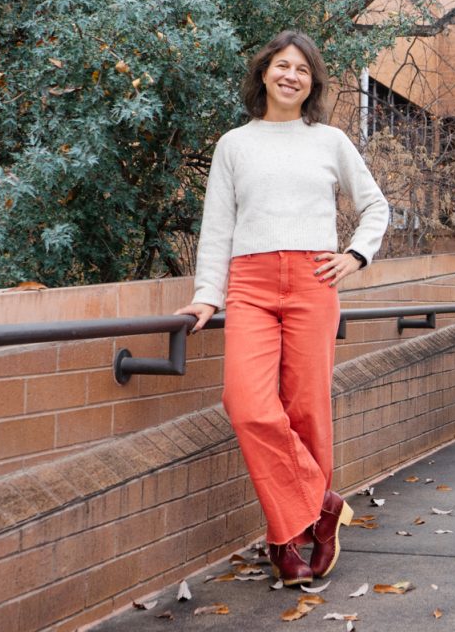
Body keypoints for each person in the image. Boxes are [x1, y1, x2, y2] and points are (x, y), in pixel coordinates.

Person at [175, 29, 389, 585]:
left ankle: (287, 536)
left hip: (314, 283)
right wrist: (205, 297)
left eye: (302, 68)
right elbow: (217, 227)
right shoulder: (234, 144)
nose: (291, 75)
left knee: (306, 409)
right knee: (246, 403)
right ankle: (321, 505)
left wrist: (356, 256)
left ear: (312, 81)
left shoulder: (330, 141)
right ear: (264, 73)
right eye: (281, 65)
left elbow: (375, 207)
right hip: (249, 283)